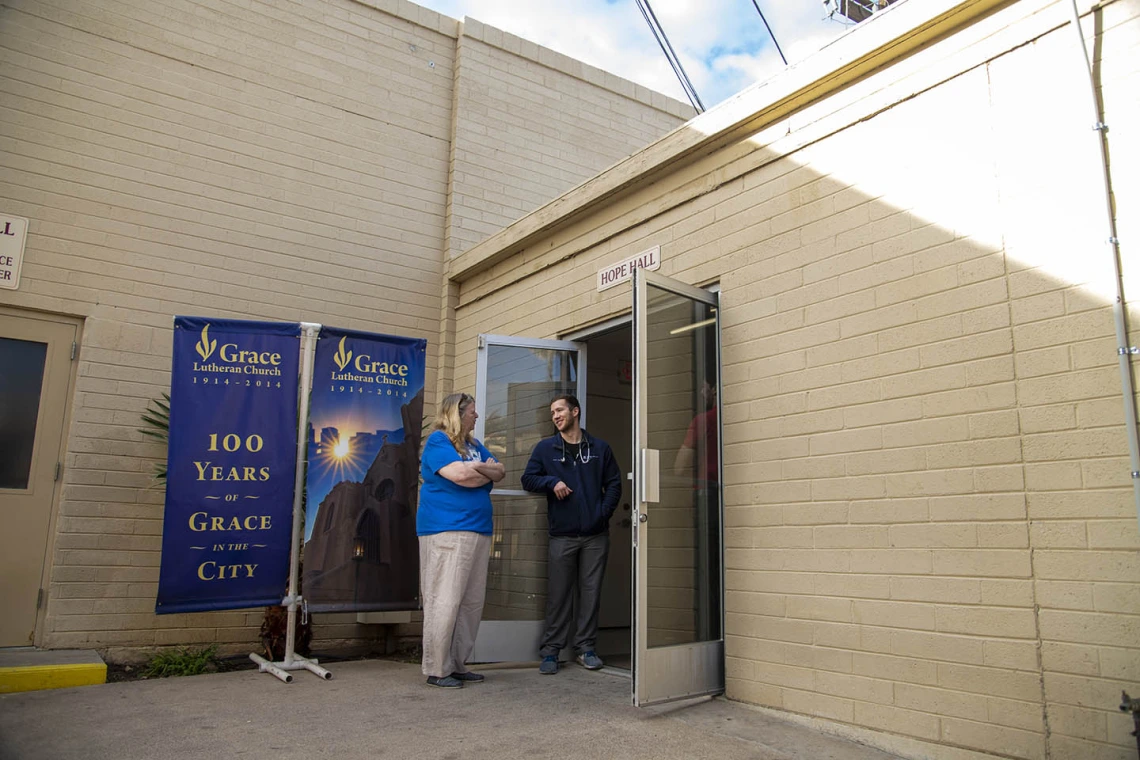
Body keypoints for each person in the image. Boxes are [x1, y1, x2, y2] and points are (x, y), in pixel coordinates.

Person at [522, 394, 622, 674]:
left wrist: (601, 514)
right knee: (559, 595)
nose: (555, 416)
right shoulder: (546, 449)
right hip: (562, 535)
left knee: (591, 594)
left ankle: (586, 648)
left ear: (575, 412)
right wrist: (552, 481)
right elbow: (527, 479)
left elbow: (614, 485)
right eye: (552, 412)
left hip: (595, 535)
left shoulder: (600, 449)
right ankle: (551, 652)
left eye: (560, 410)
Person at [417, 392, 504, 688]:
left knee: (470, 602)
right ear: (457, 412)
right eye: (472, 412)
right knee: (445, 600)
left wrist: (479, 469)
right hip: (446, 530)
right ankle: (438, 669)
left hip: (479, 529)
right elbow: (460, 476)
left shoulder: (474, 446)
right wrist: (483, 471)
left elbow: (500, 472)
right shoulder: (439, 442)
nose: (476, 416)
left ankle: (457, 663)